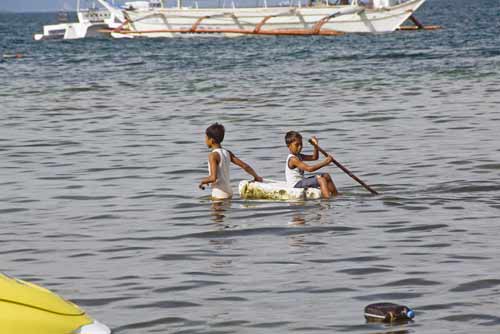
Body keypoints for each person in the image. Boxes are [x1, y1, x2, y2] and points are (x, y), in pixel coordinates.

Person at [199, 123, 263, 199]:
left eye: (206, 138)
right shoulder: (227, 153)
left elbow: (213, 178)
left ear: (211, 140)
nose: (205, 140)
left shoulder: (213, 155)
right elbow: (245, 166)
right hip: (229, 192)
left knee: (216, 210)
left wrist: (203, 181)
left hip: (219, 194)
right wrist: (256, 177)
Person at [285, 131, 339, 198]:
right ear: (288, 146)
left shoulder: (298, 156)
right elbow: (309, 169)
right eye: (297, 145)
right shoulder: (293, 159)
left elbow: (314, 157)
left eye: (301, 144)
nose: (300, 147)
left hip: (301, 181)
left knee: (326, 176)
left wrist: (315, 145)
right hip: (295, 184)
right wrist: (326, 162)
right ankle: (327, 201)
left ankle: (336, 196)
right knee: (321, 180)